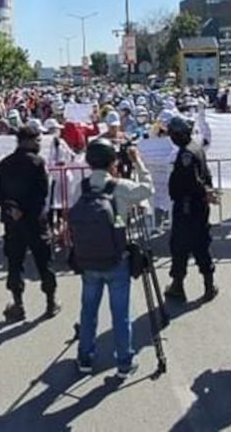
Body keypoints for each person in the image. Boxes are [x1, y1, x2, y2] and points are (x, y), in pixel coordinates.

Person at [71, 138, 153, 378]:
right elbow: (148, 189)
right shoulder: (120, 187)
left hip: (88, 259)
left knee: (88, 311)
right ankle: (124, 362)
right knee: (120, 314)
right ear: (113, 161)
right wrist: (138, 161)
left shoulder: (82, 187)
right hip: (116, 258)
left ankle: (85, 357)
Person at [0, 126, 59, 321]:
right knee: (44, 262)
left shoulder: (4, 164)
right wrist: (25, 210)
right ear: (26, 140)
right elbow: (42, 193)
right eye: (37, 140)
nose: (39, 144)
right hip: (35, 222)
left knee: (15, 263)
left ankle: (18, 304)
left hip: (13, 222)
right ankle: (50, 302)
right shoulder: (38, 163)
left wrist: (12, 209)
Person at [164, 116, 218, 303]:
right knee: (200, 243)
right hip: (197, 206)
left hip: (187, 207)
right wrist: (208, 191)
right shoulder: (196, 148)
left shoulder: (186, 153)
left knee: (181, 245)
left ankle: (180, 285)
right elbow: (206, 174)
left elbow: (192, 181)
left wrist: (205, 192)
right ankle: (206, 285)